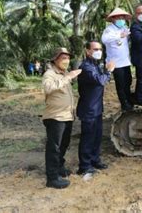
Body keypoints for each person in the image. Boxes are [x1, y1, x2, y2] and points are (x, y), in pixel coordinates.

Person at [41, 47, 82, 189]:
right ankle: (52, 178)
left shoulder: (64, 74)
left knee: (63, 145)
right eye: (63, 58)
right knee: (54, 147)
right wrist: (68, 78)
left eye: (68, 58)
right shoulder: (50, 74)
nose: (66, 61)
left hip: (66, 116)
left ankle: (59, 167)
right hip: (55, 117)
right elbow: (48, 88)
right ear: (55, 60)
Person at [77, 41, 115, 177]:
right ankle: (84, 166)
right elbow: (100, 80)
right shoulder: (86, 67)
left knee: (97, 137)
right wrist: (109, 70)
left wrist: (105, 71)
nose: (99, 51)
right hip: (89, 109)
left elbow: (102, 78)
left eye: (100, 49)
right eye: (95, 49)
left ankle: (94, 160)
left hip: (97, 108)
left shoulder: (95, 65)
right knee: (88, 138)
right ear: (87, 51)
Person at [101, 7, 134, 111]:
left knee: (128, 82)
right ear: (113, 19)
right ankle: (124, 105)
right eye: (119, 17)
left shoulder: (124, 28)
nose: (121, 19)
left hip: (125, 61)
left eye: (122, 17)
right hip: (116, 63)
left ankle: (129, 101)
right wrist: (119, 35)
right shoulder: (109, 30)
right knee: (121, 84)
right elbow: (104, 40)